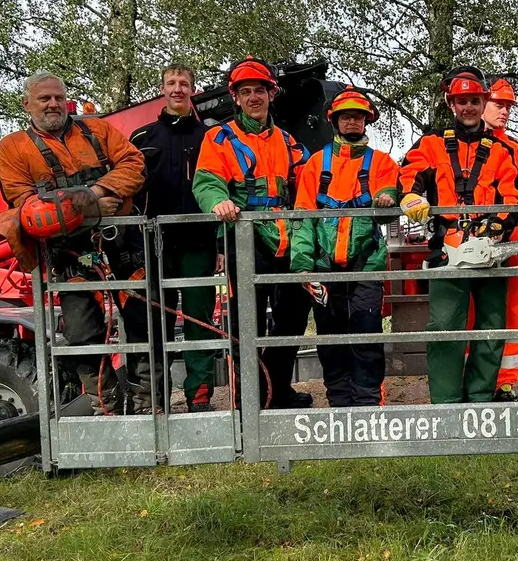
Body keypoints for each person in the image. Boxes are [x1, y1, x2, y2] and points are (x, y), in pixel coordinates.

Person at [0, 71, 145, 412]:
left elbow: (134, 164)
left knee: (142, 321)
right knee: (83, 333)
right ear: (27, 104)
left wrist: (93, 192)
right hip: (69, 254)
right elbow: (28, 206)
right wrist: (92, 206)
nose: (53, 104)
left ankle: (148, 404)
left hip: (122, 245)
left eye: (59, 97)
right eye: (45, 98)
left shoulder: (98, 130)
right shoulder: (14, 149)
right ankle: (107, 407)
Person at [192, 57, 313, 410]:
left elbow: (309, 179)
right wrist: (218, 201)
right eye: (245, 92)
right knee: (248, 320)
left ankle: (276, 391)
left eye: (259, 90)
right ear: (237, 98)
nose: (253, 98)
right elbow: (207, 180)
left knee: (291, 317)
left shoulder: (287, 141)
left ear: (270, 94)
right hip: (243, 237)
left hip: (285, 239)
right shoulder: (219, 138)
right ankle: (249, 398)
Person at [398, 66, 518, 404]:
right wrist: (411, 195)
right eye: (462, 101)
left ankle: (481, 396)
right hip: (447, 250)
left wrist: (498, 223)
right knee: (444, 329)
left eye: (474, 101)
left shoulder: (503, 151)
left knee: (491, 326)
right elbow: (409, 173)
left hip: (491, 250)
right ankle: (447, 402)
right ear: (452, 104)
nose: (468, 107)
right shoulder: (432, 144)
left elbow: (513, 196)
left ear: (484, 103)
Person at [290, 88, 400, 407]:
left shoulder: (381, 163)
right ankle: (339, 401)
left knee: (366, 334)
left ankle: (366, 403)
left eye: (358, 116)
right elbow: (302, 217)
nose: (352, 121)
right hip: (324, 268)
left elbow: (389, 191)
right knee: (330, 338)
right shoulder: (315, 166)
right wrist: (302, 265)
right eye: (346, 116)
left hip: (366, 265)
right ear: (335, 120)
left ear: (367, 120)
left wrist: (386, 199)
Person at [127, 65, 222, 413]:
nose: (178, 89)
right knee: (156, 319)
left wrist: (221, 241)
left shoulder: (212, 137)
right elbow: (128, 191)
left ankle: (199, 393)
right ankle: (154, 397)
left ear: (193, 90)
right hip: (155, 243)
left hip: (199, 241)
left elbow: (223, 187)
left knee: (199, 318)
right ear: (162, 89)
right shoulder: (142, 137)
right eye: (172, 83)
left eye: (184, 84)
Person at [483, 78, 518, 401]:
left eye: (508, 107)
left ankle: (505, 379)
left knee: (513, 309)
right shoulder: (459, 145)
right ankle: (473, 378)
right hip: (470, 240)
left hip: (510, 242)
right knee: (472, 313)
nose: (505, 112)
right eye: (499, 105)